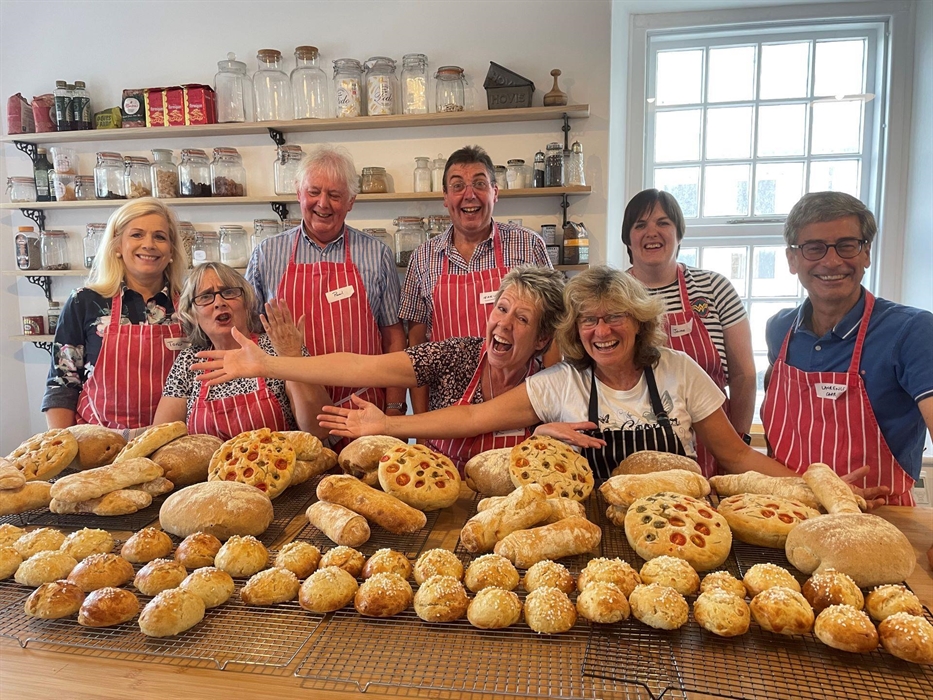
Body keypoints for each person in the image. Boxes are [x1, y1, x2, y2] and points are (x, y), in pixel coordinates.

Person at [317, 266, 811, 481]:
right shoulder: (563, 381)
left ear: (638, 321)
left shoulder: (679, 372)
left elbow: (738, 454)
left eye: (613, 316)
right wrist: (386, 426)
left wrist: (811, 486)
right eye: (589, 320)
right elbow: (470, 419)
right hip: (588, 534)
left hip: (676, 526)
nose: (601, 331)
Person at [192, 266, 567, 472]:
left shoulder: (548, 386)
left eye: (522, 318)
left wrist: (389, 425)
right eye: (501, 308)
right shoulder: (458, 355)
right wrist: (269, 362)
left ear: (541, 339)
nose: (503, 324)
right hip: (439, 495)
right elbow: (361, 367)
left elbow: (472, 418)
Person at [762, 191, 933, 506]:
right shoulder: (780, 330)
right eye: (814, 248)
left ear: (866, 253)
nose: (832, 261)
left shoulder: (911, 331)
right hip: (790, 512)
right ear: (792, 259)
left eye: (847, 245)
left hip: (879, 520)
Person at [244, 144, 406, 420]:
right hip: (290, 410)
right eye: (314, 192)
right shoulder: (266, 254)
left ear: (351, 201)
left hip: (362, 409)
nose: (323, 204)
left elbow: (393, 339)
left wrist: (394, 409)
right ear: (298, 192)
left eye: (334, 195)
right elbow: (249, 334)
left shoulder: (376, 254)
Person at [399, 145, 553, 414]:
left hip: (518, 408)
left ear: (495, 191)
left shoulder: (528, 246)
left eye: (479, 184)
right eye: (458, 186)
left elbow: (553, 333)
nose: (469, 195)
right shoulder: (422, 258)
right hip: (448, 413)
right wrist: (422, 426)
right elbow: (417, 349)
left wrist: (554, 408)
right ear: (445, 197)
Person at [621, 188, 755, 477]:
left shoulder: (714, 288)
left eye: (663, 223)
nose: (652, 232)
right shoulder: (614, 294)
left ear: (679, 233)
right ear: (627, 238)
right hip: (638, 444)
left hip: (715, 442)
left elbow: (744, 375)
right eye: (640, 225)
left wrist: (738, 441)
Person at [42, 198, 187, 430]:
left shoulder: (191, 305)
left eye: (160, 236)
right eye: (137, 235)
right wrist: (62, 447)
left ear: (171, 250)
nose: (149, 244)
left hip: (172, 443)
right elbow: (62, 383)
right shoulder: (84, 301)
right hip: (98, 441)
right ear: (117, 245)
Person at [152, 263, 329, 441]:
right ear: (193, 315)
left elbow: (318, 429)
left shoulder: (281, 345)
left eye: (228, 292)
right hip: (210, 469)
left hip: (281, 465)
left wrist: (292, 357)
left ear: (246, 303)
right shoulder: (189, 362)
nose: (219, 303)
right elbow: (160, 438)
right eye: (205, 297)